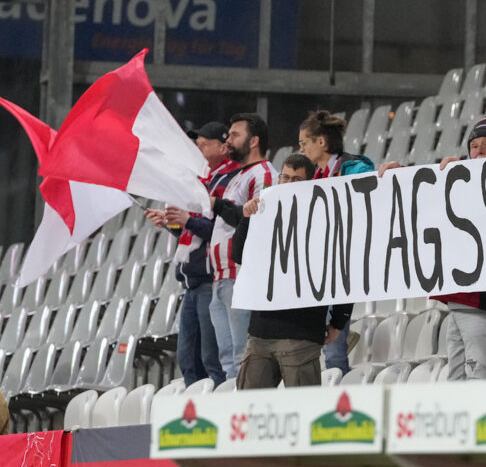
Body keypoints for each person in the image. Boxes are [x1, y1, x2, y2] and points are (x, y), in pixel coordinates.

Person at [415, 113, 486, 380]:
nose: (479, 150)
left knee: (479, 377)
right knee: (458, 383)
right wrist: (397, 173)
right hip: (459, 300)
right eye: (474, 146)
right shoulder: (461, 182)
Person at [233, 154, 350, 388]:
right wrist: (246, 219)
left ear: (309, 184)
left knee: (302, 407)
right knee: (248, 407)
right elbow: (238, 255)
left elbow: (341, 269)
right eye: (284, 177)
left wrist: (339, 321)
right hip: (260, 333)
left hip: (301, 334)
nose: (288, 183)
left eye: (296, 179)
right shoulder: (263, 212)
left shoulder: (324, 218)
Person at [147, 121, 238, 385]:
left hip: (210, 278)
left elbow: (221, 230)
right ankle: (197, 407)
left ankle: (218, 404)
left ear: (223, 147)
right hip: (193, 280)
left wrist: (187, 220)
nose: (197, 150)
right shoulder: (202, 181)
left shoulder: (230, 181)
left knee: (213, 359)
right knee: (188, 359)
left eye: (203, 145)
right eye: (196, 145)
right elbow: (194, 232)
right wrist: (172, 223)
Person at [296, 109, 375, 373]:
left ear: (321, 142)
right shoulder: (314, 176)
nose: (301, 149)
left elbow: (363, 209)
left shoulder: (355, 169)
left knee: (332, 350)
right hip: (318, 268)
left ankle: (339, 388)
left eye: (304, 143)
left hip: (343, 264)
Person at [208, 113, 276, 380]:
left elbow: (258, 219)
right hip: (221, 277)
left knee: (242, 356)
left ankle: (246, 404)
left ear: (254, 140)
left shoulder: (264, 173)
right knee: (228, 360)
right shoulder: (239, 176)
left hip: (240, 275)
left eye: (235, 135)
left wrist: (218, 205)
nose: (229, 140)